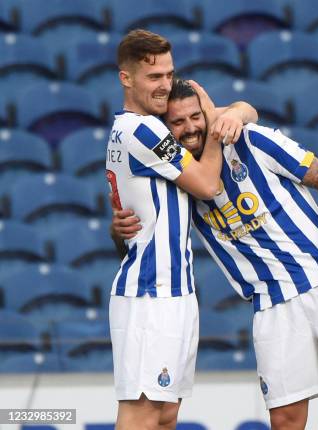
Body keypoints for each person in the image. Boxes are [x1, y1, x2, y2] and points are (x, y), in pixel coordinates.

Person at [112, 79, 318, 430]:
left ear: (208, 113)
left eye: (196, 117)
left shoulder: (253, 139)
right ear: (166, 131)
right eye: (177, 123)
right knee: (286, 421)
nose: (190, 128)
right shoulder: (177, 180)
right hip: (271, 304)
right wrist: (117, 228)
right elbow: (142, 231)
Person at [107, 30, 257, 430]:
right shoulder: (144, 130)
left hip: (173, 292)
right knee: (142, 414)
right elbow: (209, 184)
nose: (164, 85)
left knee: (166, 415)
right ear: (126, 78)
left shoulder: (140, 127)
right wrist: (215, 125)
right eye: (153, 77)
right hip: (149, 293)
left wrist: (231, 112)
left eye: (169, 75)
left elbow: (247, 110)